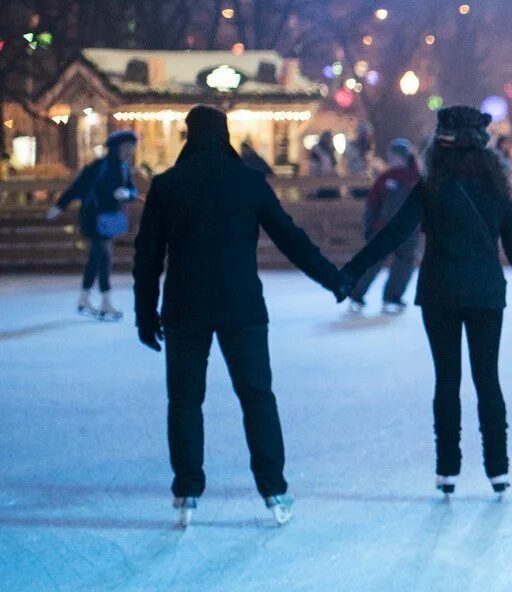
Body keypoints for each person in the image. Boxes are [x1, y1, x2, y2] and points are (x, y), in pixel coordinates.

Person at [131, 105, 349, 528]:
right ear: (225, 135)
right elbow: (291, 238)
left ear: (189, 136)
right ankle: (274, 488)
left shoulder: (168, 185)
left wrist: (145, 312)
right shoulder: (249, 182)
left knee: (185, 401)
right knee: (257, 397)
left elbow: (148, 256)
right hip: (242, 307)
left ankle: (187, 491)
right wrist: (332, 278)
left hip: (185, 307)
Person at [340, 105, 512, 497]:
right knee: (488, 381)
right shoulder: (496, 188)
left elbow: (395, 233)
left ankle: (447, 470)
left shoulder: (430, 187)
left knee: (447, 381)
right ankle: (498, 470)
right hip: (485, 294)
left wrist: (353, 269)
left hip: (440, 294)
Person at [51, 129, 139, 320]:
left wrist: (127, 194)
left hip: (109, 218)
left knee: (95, 258)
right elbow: (78, 187)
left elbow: (133, 190)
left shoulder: (124, 169)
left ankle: (84, 299)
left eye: (132, 148)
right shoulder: (99, 166)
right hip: (92, 217)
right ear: (116, 148)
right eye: (126, 147)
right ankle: (105, 302)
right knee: (104, 257)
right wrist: (60, 205)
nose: (129, 152)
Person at [348, 138, 422, 314]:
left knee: (404, 264)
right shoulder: (386, 177)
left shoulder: (417, 178)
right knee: (373, 262)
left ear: (404, 157)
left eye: (395, 156)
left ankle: (393, 296)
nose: (392, 159)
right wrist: (369, 225)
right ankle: (356, 294)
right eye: (391, 156)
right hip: (383, 229)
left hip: (408, 231)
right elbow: (372, 203)